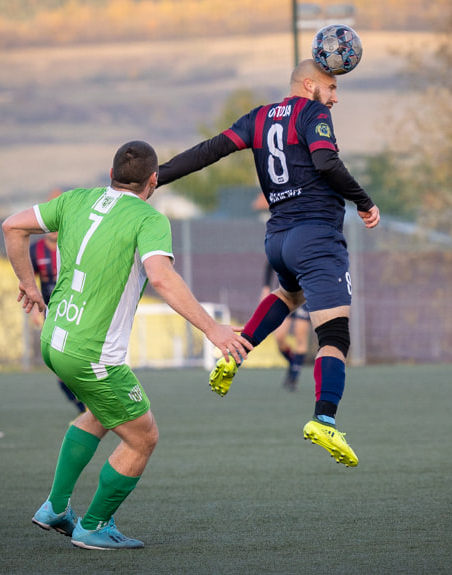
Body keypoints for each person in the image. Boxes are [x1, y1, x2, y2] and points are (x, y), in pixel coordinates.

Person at [2, 140, 251, 550]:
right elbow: (162, 278)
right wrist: (213, 329)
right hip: (90, 354)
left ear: (111, 174)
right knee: (143, 436)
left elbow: (12, 225)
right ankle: (94, 526)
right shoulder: (147, 218)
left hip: (54, 339)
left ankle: (55, 507)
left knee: (100, 415)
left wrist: (29, 286)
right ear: (153, 180)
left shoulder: (74, 200)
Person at [158, 59, 380, 467]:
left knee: (288, 294)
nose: (335, 97)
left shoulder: (258, 118)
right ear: (309, 85)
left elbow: (208, 152)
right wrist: (364, 202)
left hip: (278, 238)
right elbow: (326, 163)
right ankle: (324, 419)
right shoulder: (311, 113)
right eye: (331, 88)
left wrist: (156, 176)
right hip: (315, 235)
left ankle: (234, 354)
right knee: (335, 336)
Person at [29, 189, 86, 414]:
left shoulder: (74, 243)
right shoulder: (36, 250)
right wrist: (34, 310)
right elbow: (29, 280)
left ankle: (91, 411)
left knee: (78, 361)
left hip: (76, 310)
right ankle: (85, 411)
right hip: (51, 313)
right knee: (60, 368)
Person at [261, 262, 311, 392]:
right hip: (287, 293)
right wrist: (266, 287)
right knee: (280, 338)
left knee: (300, 334)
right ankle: (294, 364)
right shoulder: (282, 244)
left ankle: (293, 376)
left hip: (306, 295)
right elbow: (270, 262)